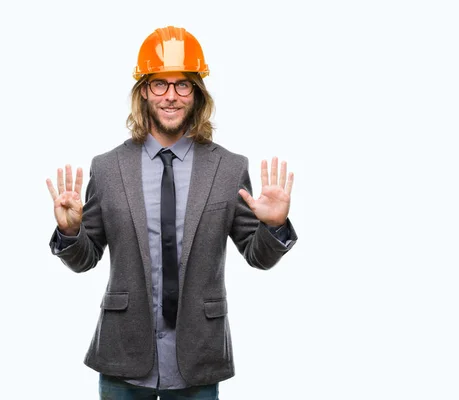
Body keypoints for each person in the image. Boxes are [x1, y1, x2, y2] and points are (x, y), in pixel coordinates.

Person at [46, 25, 297, 399]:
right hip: (124, 354)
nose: (171, 97)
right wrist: (70, 233)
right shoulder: (108, 168)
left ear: (196, 94)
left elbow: (257, 256)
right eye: (160, 84)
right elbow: (85, 260)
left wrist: (274, 226)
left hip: (198, 357)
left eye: (183, 85)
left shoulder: (228, 168)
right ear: (143, 91)